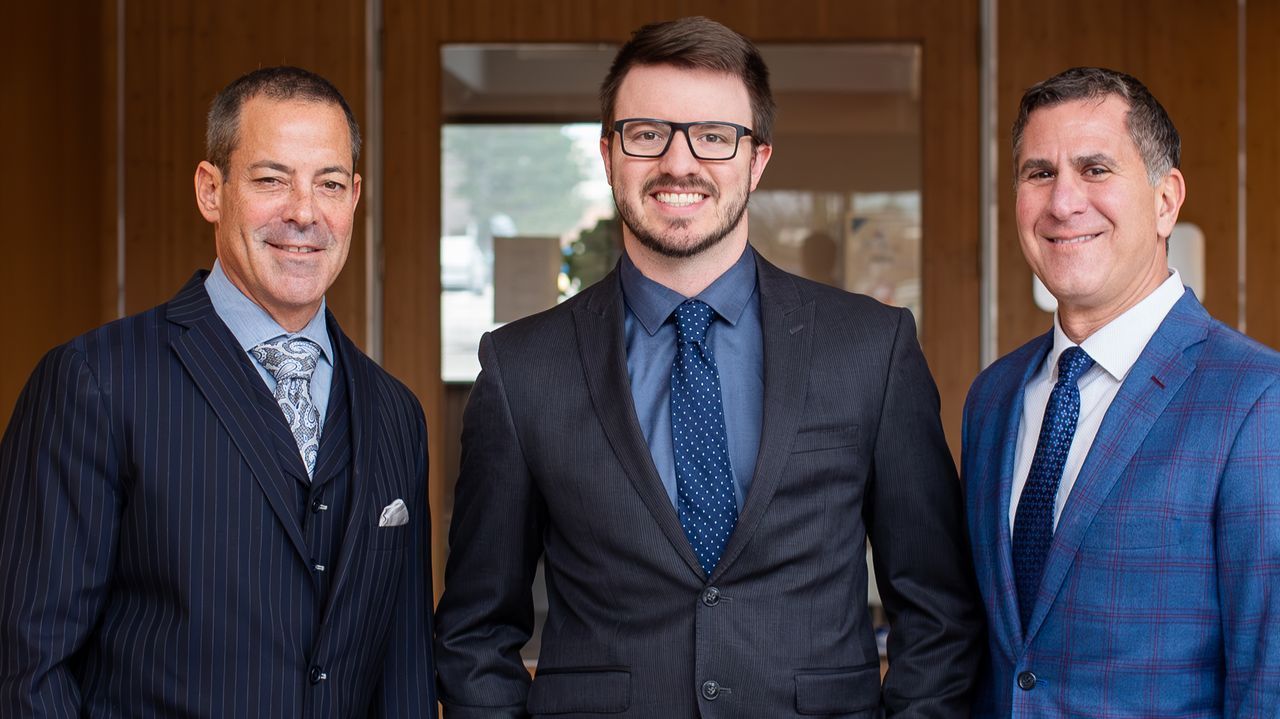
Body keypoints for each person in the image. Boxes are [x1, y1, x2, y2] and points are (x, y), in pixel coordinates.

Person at [435, 17, 983, 718]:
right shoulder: (520, 368)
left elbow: (937, 612)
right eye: (646, 133)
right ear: (609, 154)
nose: (679, 162)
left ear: (757, 160)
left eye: (713, 137)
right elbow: (476, 630)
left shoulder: (871, 348)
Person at [0, 66, 435, 718]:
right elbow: (28, 665)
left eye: (330, 184)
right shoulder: (94, 380)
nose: (303, 212)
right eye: (270, 179)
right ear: (211, 189)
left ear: (355, 197)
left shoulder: (395, 412)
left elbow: (403, 674)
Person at [963, 66, 1280, 717]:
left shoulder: (1256, 398)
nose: (1062, 201)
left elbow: (1269, 677)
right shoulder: (993, 398)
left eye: (1096, 169)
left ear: (1167, 200)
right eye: (1039, 173)